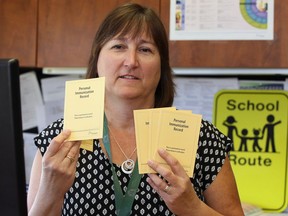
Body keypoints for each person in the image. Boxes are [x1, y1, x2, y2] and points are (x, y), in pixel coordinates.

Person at [27, 3, 244, 216]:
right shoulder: (59, 141)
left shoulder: (200, 139)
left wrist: (193, 209)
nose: (131, 61)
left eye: (145, 49)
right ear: (97, 59)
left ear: (162, 66)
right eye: (119, 46)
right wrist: (50, 191)